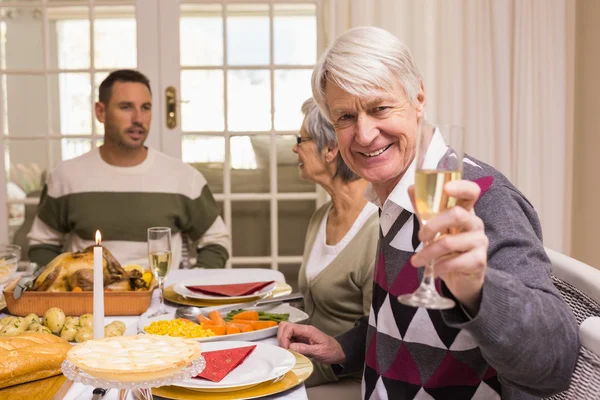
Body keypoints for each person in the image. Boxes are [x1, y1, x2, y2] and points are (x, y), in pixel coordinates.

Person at [278, 27, 579, 399]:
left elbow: (555, 363)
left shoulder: (480, 197)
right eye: (345, 118)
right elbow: (407, 321)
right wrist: (345, 348)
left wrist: (476, 289)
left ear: (418, 97)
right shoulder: (392, 193)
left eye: (379, 108)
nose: (365, 134)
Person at [28, 69, 230, 270]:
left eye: (146, 107)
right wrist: (65, 286)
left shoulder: (184, 178)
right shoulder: (66, 176)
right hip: (88, 299)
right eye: (126, 107)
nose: (138, 119)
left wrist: (192, 284)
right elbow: (42, 244)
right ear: (101, 112)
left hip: (162, 298)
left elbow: (216, 240)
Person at [293, 98, 378, 391]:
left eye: (300, 139)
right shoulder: (321, 217)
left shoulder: (377, 227)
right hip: (303, 365)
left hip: (348, 379)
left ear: (330, 149)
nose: (295, 148)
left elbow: (380, 334)